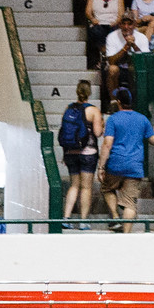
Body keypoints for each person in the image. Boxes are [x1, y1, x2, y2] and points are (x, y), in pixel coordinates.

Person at [98, 89, 154, 231]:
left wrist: (101, 166)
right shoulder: (142, 119)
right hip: (135, 167)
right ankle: (126, 236)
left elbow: (107, 143)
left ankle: (115, 217)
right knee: (130, 204)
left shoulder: (113, 119)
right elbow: (153, 141)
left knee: (107, 188)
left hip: (116, 163)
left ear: (119, 102)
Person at [56, 80, 102, 227]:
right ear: (89, 93)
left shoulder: (68, 108)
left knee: (74, 185)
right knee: (86, 187)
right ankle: (83, 221)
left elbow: (65, 131)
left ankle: (66, 217)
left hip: (70, 152)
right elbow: (97, 132)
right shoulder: (93, 110)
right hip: (88, 153)